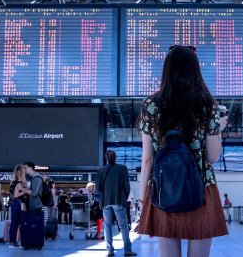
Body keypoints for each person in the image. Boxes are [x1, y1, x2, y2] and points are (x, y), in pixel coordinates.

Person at [135, 45, 229, 257]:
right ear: (195, 70)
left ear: (167, 70)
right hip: (202, 189)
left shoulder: (151, 104)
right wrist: (218, 129)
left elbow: (148, 159)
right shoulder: (208, 105)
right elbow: (213, 157)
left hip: (163, 188)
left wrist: (143, 200)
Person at [95, 150, 136, 257]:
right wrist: (124, 197)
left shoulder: (101, 171)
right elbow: (127, 186)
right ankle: (127, 250)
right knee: (123, 226)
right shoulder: (122, 168)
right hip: (119, 200)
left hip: (105, 201)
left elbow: (97, 188)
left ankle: (110, 250)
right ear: (116, 157)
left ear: (106, 159)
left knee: (107, 226)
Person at [9, 165, 27, 249]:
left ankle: (12, 241)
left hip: (14, 202)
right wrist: (25, 191)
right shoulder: (19, 181)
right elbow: (16, 194)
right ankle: (13, 243)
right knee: (17, 223)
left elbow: (12, 194)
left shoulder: (13, 181)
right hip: (18, 202)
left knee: (13, 223)